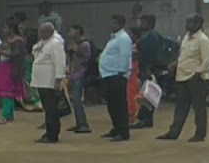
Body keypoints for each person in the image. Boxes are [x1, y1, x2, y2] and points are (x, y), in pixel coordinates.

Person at [158, 14, 209, 142]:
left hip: (195, 78)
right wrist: (175, 64)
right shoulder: (186, 37)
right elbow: (183, 56)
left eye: (189, 22)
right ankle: (173, 133)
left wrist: (199, 72)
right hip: (181, 77)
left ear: (198, 24)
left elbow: (208, 59)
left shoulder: (203, 39)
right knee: (181, 107)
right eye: (186, 22)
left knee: (199, 107)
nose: (186, 25)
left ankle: (200, 134)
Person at [98, 14, 134, 142]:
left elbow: (125, 56)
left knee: (119, 105)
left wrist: (122, 72)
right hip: (109, 75)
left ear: (121, 24)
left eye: (114, 23)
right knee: (112, 105)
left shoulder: (123, 38)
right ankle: (116, 128)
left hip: (117, 75)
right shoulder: (114, 38)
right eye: (111, 22)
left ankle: (123, 132)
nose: (111, 25)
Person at [31, 23, 67, 143]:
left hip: (50, 82)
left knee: (52, 110)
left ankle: (52, 135)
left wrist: (58, 81)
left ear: (49, 32)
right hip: (42, 82)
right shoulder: (44, 43)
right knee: (48, 109)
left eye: (42, 32)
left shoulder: (55, 44)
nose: (40, 35)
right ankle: (49, 132)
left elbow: (60, 63)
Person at [134, 14, 163, 129]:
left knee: (147, 95)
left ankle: (146, 119)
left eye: (143, 22)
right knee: (145, 94)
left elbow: (149, 55)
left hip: (148, 69)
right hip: (145, 69)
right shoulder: (147, 35)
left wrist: (147, 69)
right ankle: (144, 118)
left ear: (150, 24)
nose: (140, 24)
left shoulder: (150, 37)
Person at [0, 22, 26, 124]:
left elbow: (17, 54)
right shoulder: (7, 40)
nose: (3, 30)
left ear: (11, 29)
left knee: (7, 91)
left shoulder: (18, 41)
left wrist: (2, 52)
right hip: (3, 66)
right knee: (7, 91)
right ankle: (10, 114)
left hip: (11, 67)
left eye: (5, 28)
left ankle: (5, 115)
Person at [65, 24, 92, 133]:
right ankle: (79, 123)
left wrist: (75, 49)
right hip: (73, 73)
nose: (69, 33)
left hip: (80, 74)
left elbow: (86, 59)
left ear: (77, 32)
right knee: (74, 100)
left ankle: (83, 124)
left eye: (71, 31)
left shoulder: (84, 44)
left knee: (77, 99)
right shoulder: (73, 43)